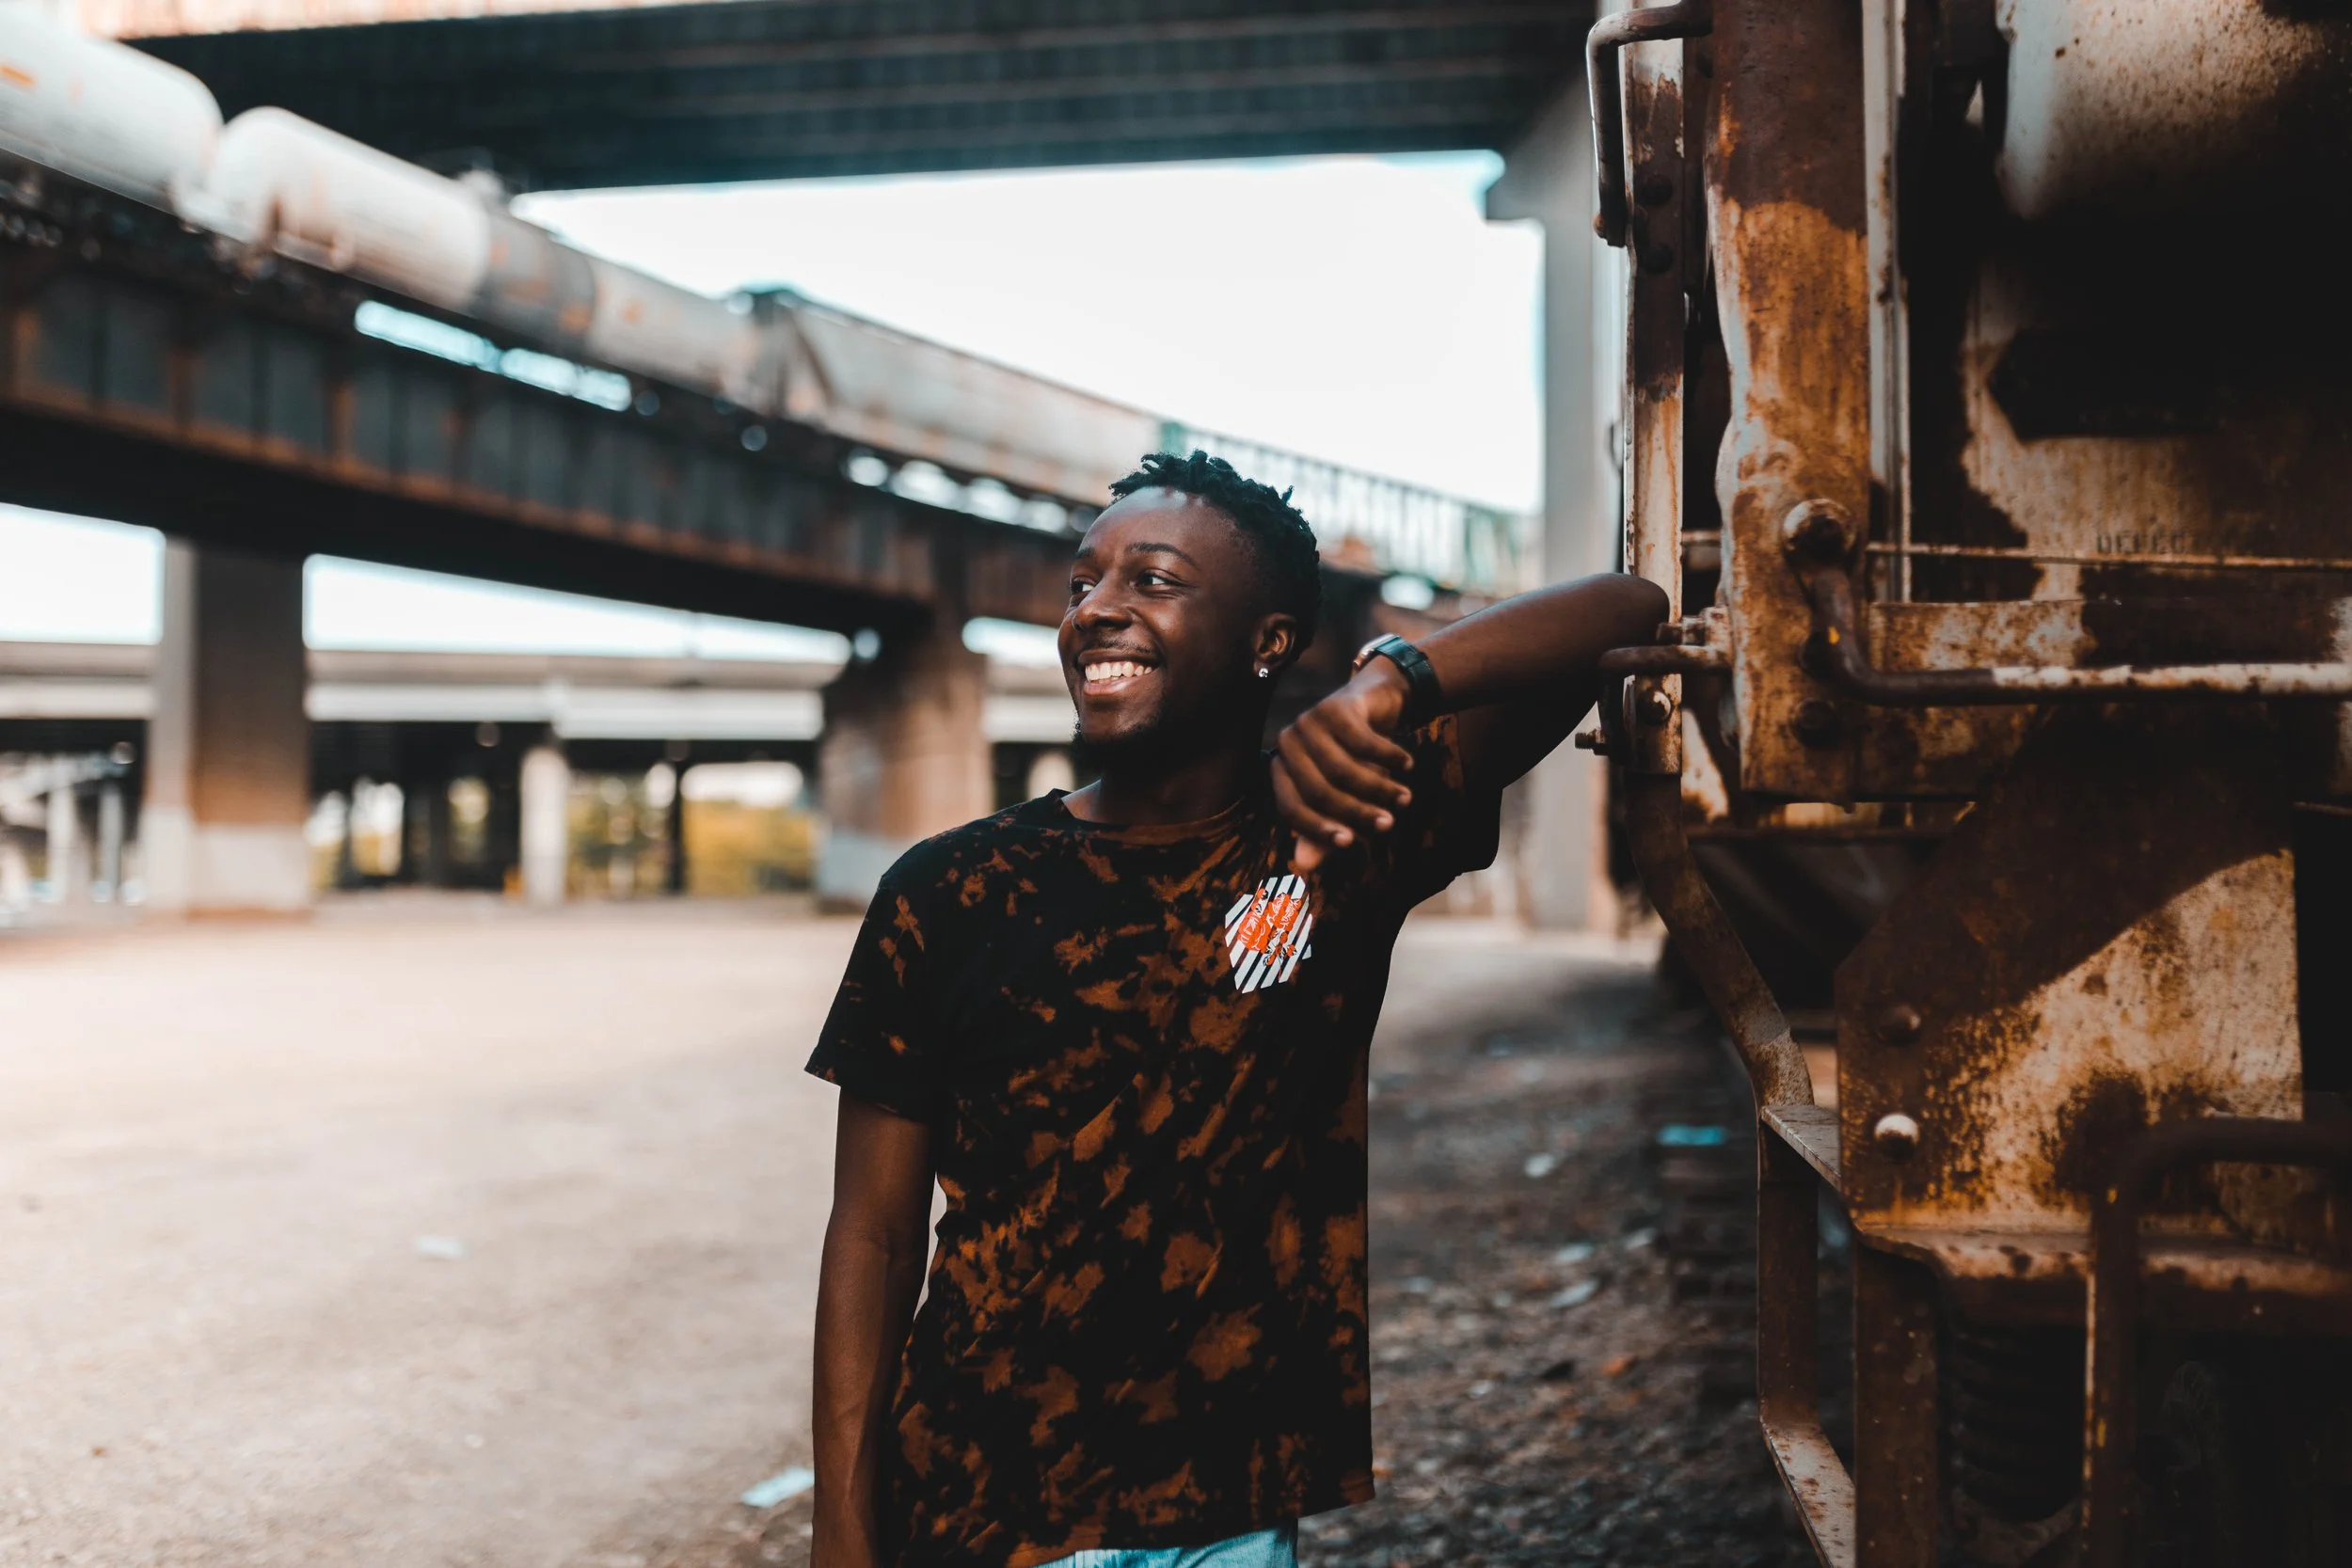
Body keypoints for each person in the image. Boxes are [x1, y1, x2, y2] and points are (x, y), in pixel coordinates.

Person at [807, 451, 1666, 1568]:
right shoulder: (950, 889)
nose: (1095, 611)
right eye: (1082, 583)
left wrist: (1392, 679)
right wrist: (843, 1527)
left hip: (1229, 1509)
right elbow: (872, 1237)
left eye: (1152, 579)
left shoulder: (1345, 830)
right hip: (980, 1503)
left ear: (1269, 641)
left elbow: (1626, 608)